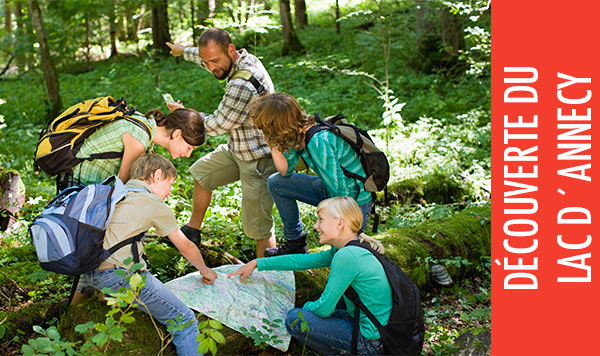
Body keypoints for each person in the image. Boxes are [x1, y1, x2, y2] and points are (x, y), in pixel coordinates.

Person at [79, 153, 217, 356]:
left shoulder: (115, 193)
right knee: (184, 319)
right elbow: (185, 246)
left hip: (91, 273)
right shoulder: (153, 203)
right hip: (121, 276)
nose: (169, 192)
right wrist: (206, 271)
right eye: (170, 184)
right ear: (158, 175)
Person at [165, 28, 277, 257]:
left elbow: (216, 125)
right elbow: (206, 55)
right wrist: (182, 51)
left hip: (258, 158)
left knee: (258, 227)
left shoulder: (240, 84)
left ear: (231, 50)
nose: (211, 67)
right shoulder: (239, 57)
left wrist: (186, 113)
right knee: (202, 174)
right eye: (207, 62)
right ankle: (192, 232)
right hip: (239, 147)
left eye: (214, 61)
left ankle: (270, 275)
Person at [228, 196, 389, 355]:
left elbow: (324, 309)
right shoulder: (351, 247)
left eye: (320, 220)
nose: (315, 226)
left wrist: (306, 308)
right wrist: (258, 263)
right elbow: (303, 261)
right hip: (375, 329)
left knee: (295, 318)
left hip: (370, 341)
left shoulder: (346, 256)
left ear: (340, 223)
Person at [249, 93, 373, 256]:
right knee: (276, 182)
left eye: (265, 128)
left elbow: (342, 191)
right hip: (332, 192)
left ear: (275, 126)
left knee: (338, 255)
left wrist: (334, 224)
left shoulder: (318, 140)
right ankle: (295, 242)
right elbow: (285, 172)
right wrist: (273, 145)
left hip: (353, 203)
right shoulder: (298, 134)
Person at [59, 107, 206, 191]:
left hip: (81, 183)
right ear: (177, 134)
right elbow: (123, 188)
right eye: (189, 147)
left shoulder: (146, 127)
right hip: (79, 188)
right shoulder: (139, 140)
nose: (188, 154)